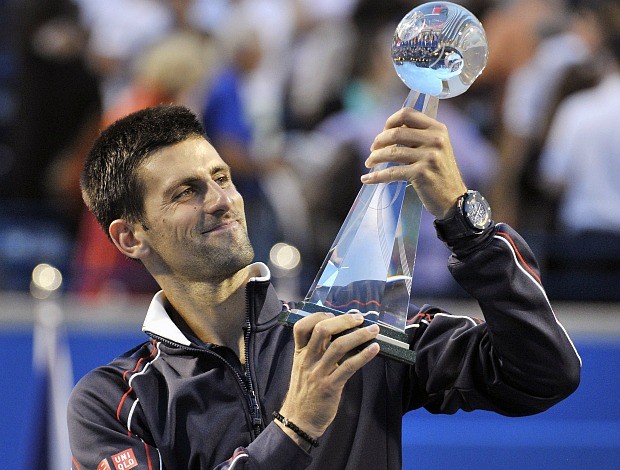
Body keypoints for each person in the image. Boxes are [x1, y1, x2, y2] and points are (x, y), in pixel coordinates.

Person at [68, 104, 581, 469]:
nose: (221, 200)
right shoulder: (113, 400)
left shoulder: (354, 328)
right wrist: (295, 427)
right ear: (130, 236)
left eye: (222, 177)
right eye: (186, 192)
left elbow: (545, 372)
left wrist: (464, 222)